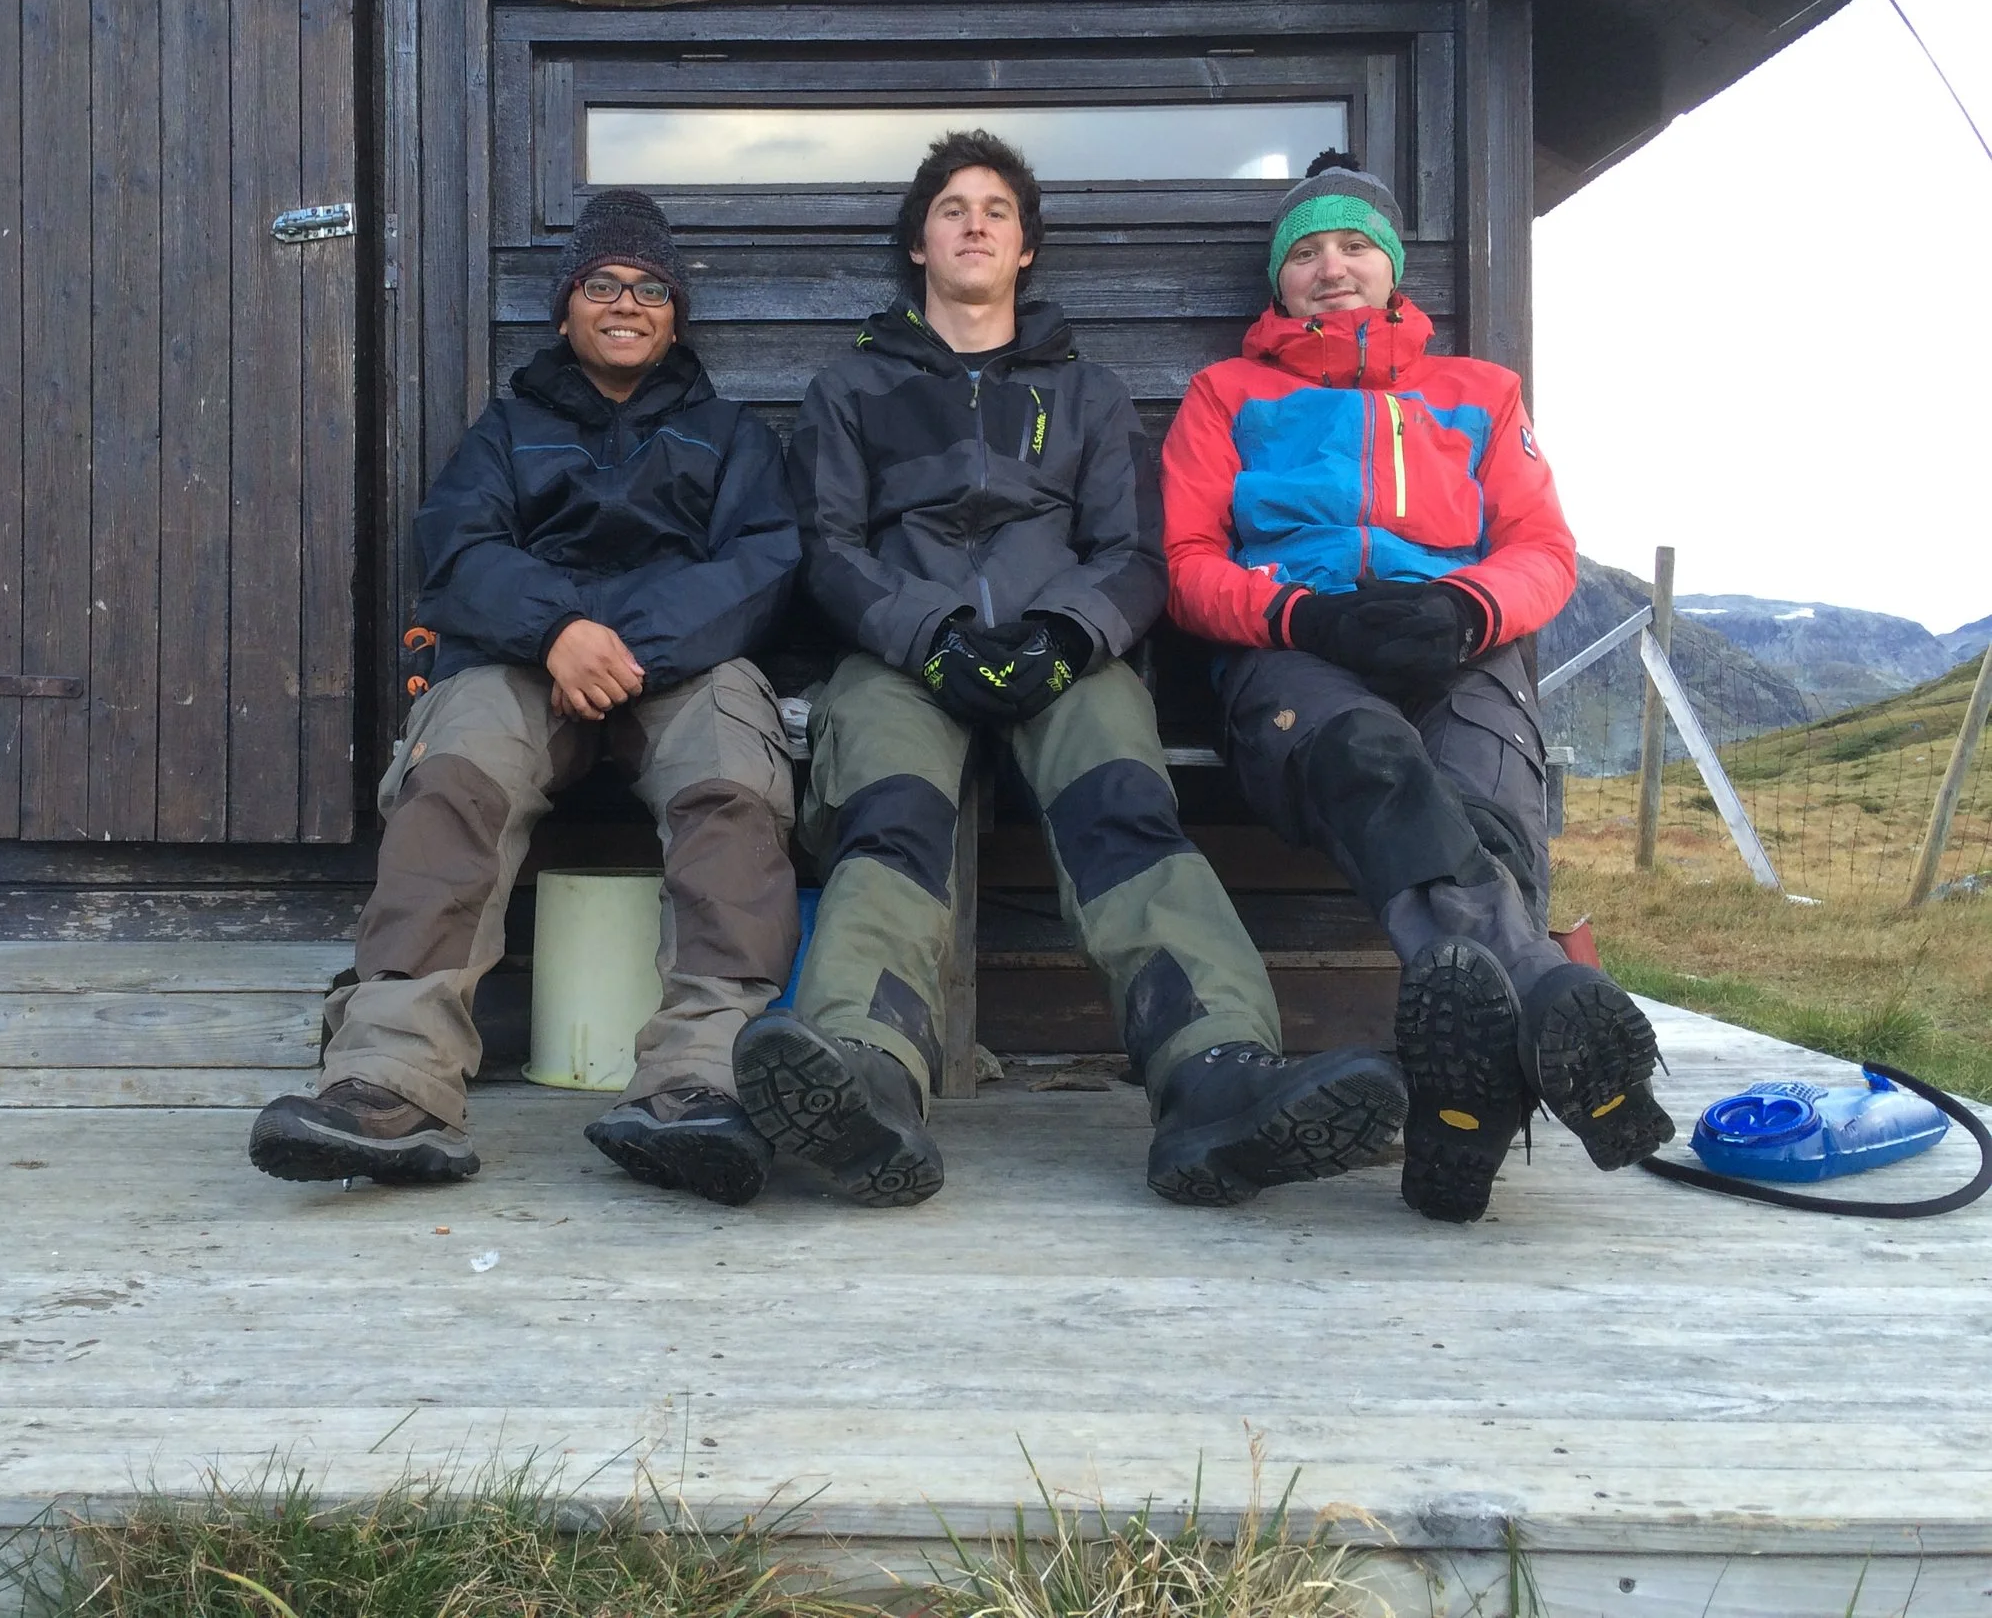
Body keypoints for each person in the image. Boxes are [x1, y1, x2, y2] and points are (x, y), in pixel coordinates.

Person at [746, 129, 1409, 1209]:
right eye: (952, 208)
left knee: (1123, 817)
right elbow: (828, 550)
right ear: (917, 244)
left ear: (1025, 250)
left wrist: (1065, 635)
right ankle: (862, 1070)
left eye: (995, 211)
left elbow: (1137, 553)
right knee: (889, 817)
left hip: (1069, 658)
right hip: (898, 657)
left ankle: (1214, 1074)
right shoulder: (850, 388)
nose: (972, 224)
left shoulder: (1088, 393)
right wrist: (930, 636)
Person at [248, 189, 803, 1206]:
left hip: (678, 666)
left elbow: (764, 566)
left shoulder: (733, 437)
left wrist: (626, 646)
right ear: (565, 311)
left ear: (675, 314)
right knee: (453, 768)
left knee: (734, 778)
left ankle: (702, 1080)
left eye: (648, 288)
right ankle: (389, 1077)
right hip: (521, 658)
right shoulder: (506, 431)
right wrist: (558, 633)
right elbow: (457, 551)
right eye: (602, 285)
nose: (625, 303)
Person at [1159, 150, 1673, 1224]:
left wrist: (1463, 610)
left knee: (1485, 799)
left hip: (1456, 640)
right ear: (1277, 280)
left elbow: (1543, 547)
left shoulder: (1479, 393)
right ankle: (1534, 1003)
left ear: (1392, 269)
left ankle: (1464, 1115)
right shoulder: (1225, 394)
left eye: (1353, 246)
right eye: (1305, 252)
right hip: (1293, 647)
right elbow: (1187, 563)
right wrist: (1301, 613)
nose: (1330, 267)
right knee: (1369, 758)